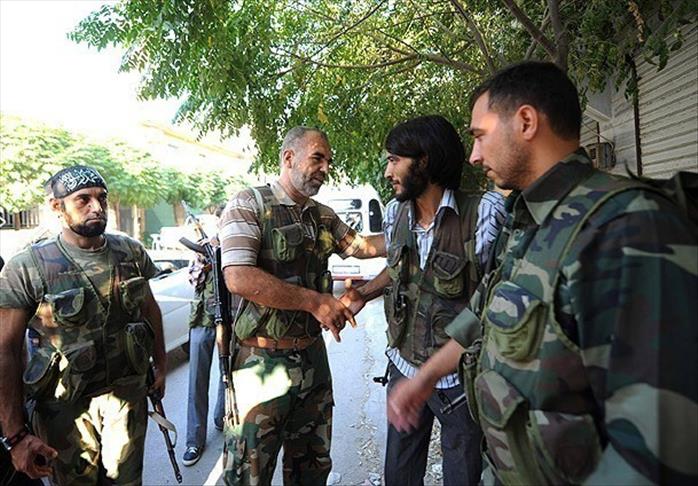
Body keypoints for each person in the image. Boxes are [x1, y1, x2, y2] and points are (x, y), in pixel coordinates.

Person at [388, 61, 698, 485]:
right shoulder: (528, 220)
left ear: (526, 122)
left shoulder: (627, 228)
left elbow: (658, 449)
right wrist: (424, 378)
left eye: (480, 136)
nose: (474, 155)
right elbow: (481, 319)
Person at [338, 115, 504, 486]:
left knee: (463, 477)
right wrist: (364, 294)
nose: (387, 172)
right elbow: (400, 270)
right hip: (403, 367)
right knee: (398, 474)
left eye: (394, 160)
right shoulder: (395, 213)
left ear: (424, 160)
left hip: (459, 382)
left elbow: (495, 301)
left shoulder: (485, 213)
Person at [219, 126, 387, 485]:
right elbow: (238, 277)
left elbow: (362, 247)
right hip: (260, 366)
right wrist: (314, 302)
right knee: (250, 474)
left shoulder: (322, 216)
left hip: (312, 360)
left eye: (328, 161)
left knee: (311, 467)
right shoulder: (249, 204)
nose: (325, 168)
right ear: (288, 158)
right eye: (317, 158)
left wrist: (414, 232)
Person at [0, 165, 167, 484]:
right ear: (56, 206)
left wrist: (160, 364)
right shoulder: (27, 266)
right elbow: (5, 350)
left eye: (102, 198)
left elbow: (150, 310)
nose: (97, 207)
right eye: (83, 199)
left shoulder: (130, 252)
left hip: (126, 401)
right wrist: (15, 434)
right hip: (65, 412)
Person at [182, 206, 226, 467]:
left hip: (228, 321)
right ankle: (194, 440)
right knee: (197, 380)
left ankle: (222, 416)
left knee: (226, 374)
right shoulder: (204, 246)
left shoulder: (240, 245)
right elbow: (194, 280)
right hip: (202, 320)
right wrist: (204, 257)